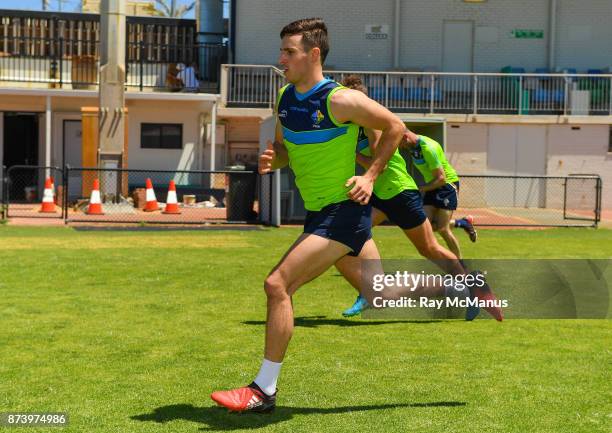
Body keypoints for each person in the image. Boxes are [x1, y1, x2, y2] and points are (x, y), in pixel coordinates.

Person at [209, 18, 494, 414]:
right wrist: (277, 158)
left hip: (344, 212)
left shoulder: (339, 100)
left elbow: (394, 127)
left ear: (313, 55)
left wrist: (371, 175)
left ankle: (263, 390)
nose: (281, 59)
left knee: (277, 285)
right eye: (281, 52)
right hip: (321, 213)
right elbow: (285, 147)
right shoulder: (284, 99)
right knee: (379, 292)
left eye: (288, 52)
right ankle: (463, 285)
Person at [336, 75, 490, 319]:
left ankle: (473, 288)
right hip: (379, 194)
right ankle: (366, 291)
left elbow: (380, 164)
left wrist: (352, 155)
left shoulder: (371, 123)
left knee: (429, 248)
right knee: (352, 236)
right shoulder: (353, 124)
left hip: (399, 193)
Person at [401, 130, 476, 260]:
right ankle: (462, 223)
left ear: (405, 137)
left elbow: (441, 178)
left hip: (446, 185)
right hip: (433, 185)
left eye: (400, 143)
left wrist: (421, 188)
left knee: (443, 229)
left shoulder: (428, 148)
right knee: (426, 227)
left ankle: (460, 266)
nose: (400, 146)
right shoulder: (412, 146)